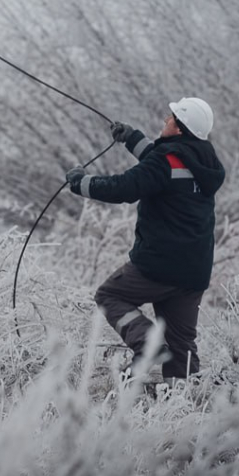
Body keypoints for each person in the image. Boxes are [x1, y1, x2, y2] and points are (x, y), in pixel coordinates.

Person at [65, 97, 225, 382]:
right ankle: (184, 408)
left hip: (159, 265)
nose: (166, 120)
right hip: (194, 271)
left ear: (180, 128)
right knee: (181, 348)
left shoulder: (166, 163)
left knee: (109, 295)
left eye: (171, 117)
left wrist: (81, 183)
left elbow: (124, 187)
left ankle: (148, 344)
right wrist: (131, 138)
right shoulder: (204, 162)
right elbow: (162, 165)